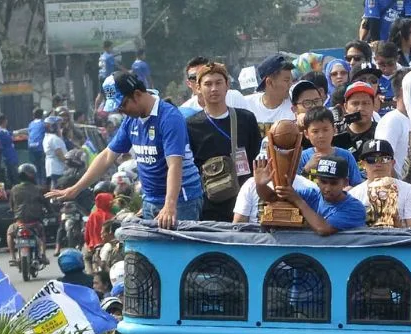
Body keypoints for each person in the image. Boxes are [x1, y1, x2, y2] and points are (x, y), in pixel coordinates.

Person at [52, 72, 204, 228]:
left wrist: (170, 205)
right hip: (150, 200)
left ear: (137, 94)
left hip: (181, 201)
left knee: (177, 251)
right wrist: (76, 189)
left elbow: (174, 164)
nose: (121, 112)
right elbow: (106, 156)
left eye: (123, 105)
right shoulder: (131, 121)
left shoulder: (169, 118)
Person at [187, 62, 264, 222]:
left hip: (244, 201)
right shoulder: (190, 125)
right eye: (208, 84)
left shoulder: (246, 119)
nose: (214, 88)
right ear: (198, 88)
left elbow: (256, 158)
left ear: (227, 85)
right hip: (209, 204)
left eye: (218, 83)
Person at [253, 155, 366, 235]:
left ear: (345, 182)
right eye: (323, 182)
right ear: (317, 180)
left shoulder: (355, 208)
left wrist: (298, 201)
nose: (327, 188)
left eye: (334, 183)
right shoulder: (313, 195)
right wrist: (260, 185)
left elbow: (323, 229)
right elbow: (274, 198)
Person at [349, 139, 411, 228]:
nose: (378, 164)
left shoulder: (408, 191)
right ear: (363, 164)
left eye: (384, 159)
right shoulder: (353, 195)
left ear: (393, 163)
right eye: (371, 159)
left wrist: (396, 224)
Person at [300, 108, 365, 187]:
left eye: (325, 130)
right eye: (315, 131)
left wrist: (349, 190)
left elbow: (358, 186)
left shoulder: (346, 156)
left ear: (334, 130)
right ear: (306, 134)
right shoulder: (302, 157)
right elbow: (295, 186)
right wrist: (306, 169)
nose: (321, 135)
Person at [7, 164, 49, 261]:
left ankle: (13, 257)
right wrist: (51, 211)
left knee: (10, 233)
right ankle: (43, 255)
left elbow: (12, 206)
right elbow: (46, 204)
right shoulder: (38, 189)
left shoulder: (14, 189)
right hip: (35, 223)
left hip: (19, 223)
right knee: (42, 234)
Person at [246, 54, 296, 132]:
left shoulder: (295, 107)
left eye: (291, 80)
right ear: (269, 82)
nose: (291, 84)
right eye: (286, 80)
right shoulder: (246, 104)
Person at [42, 115, 70, 189]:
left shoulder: (48, 137)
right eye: (58, 125)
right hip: (57, 168)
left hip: (52, 167)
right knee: (57, 187)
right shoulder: (53, 138)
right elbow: (59, 154)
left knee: (54, 187)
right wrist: (68, 163)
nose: (60, 128)